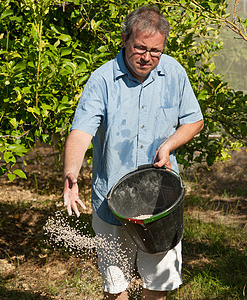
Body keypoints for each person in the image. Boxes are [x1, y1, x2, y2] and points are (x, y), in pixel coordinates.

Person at [62, 5, 204, 300]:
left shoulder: (174, 73)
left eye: (156, 50)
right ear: (125, 39)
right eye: (140, 47)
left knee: (158, 284)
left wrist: (168, 145)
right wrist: (71, 173)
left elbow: (194, 120)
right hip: (110, 201)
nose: (147, 57)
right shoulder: (102, 80)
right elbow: (81, 132)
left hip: (158, 203)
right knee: (116, 288)